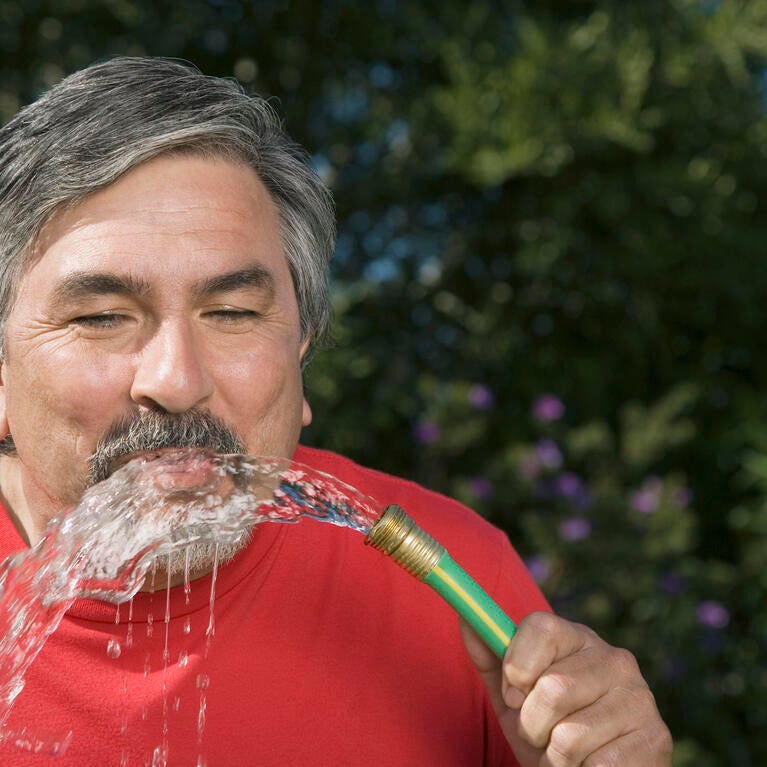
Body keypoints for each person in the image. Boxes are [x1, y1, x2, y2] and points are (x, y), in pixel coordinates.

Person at [0, 57, 672, 765]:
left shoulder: (452, 584)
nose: (176, 379)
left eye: (231, 312)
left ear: (300, 353)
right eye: (103, 316)